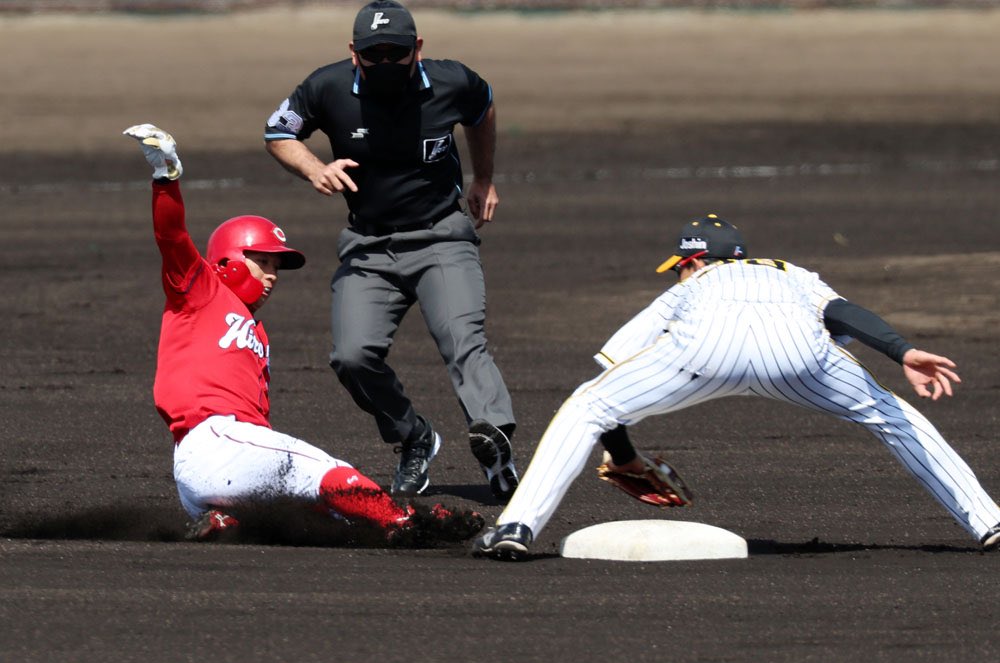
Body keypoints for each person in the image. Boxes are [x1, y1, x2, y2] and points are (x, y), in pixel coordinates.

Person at [472, 214, 1000, 560]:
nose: (677, 275)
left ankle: (517, 528)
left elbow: (611, 372)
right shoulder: (790, 272)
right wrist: (902, 351)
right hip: (797, 355)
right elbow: (843, 313)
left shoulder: (693, 285)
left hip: (704, 350)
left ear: (694, 261)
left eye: (679, 268)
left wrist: (625, 455)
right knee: (892, 416)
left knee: (585, 406)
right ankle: (989, 522)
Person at [123, 123, 481, 543]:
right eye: (263, 262)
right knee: (329, 473)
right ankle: (403, 521)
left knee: (328, 516)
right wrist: (166, 178)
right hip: (218, 443)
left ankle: (226, 520)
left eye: (276, 267)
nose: (272, 276)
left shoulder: (256, 331)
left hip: (220, 466)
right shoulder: (199, 290)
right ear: (227, 260)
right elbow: (172, 237)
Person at [263, 0, 518, 502]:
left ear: (416, 49)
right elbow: (277, 131)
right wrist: (314, 168)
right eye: (372, 54)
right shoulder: (327, 87)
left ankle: (494, 440)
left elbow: (483, 106)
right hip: (369, 246)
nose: (384, 62)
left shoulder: (451, 81)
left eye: (395, 53)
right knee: (351, 357)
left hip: (441, 236)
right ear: (353, 52)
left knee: (462, 340)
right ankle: (413, 436)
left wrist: (484, 177)